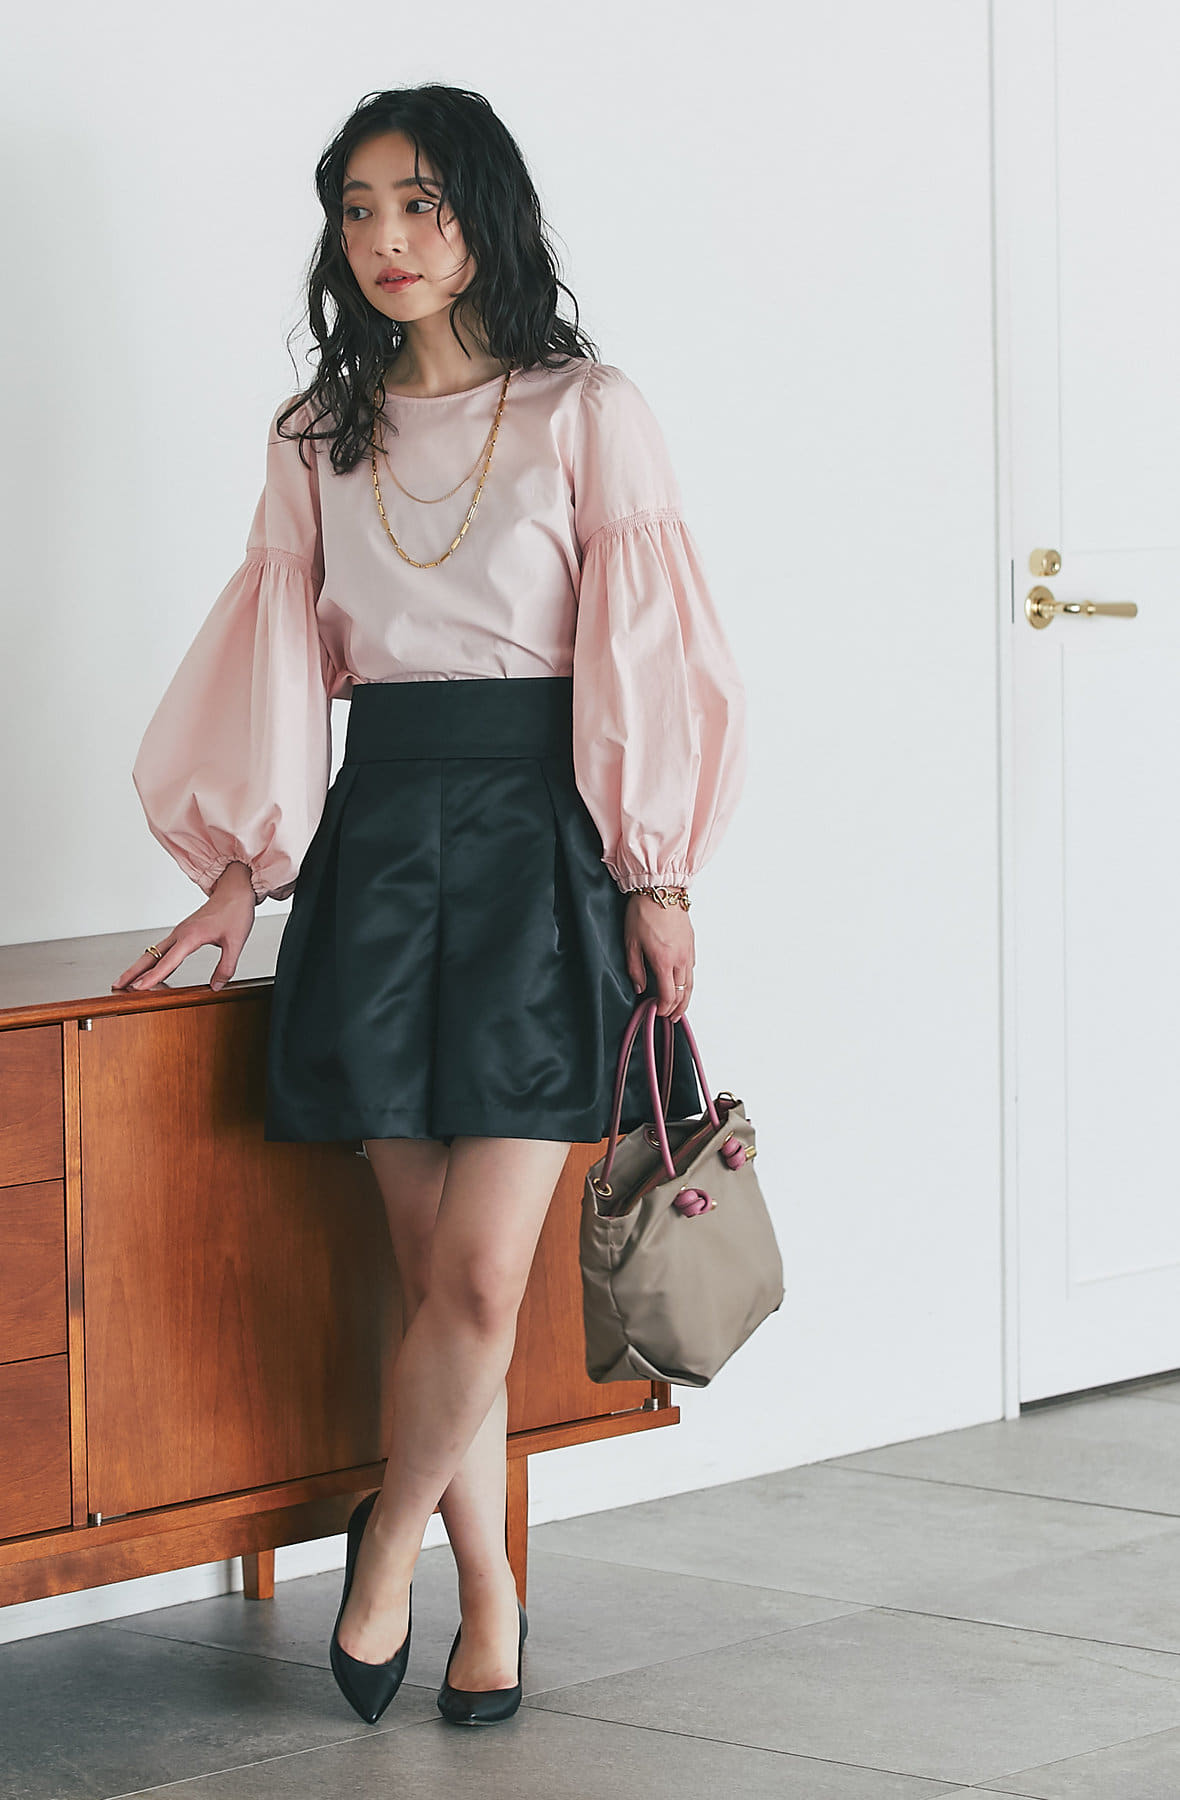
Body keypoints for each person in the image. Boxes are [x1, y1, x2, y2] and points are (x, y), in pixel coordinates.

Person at [115, 82, 746, 1728]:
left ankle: (384, 1549)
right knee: (423, 1272)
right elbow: (279, 658)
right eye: (359, 210)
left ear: (484, 215)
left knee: (477, 1279)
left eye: (421, 204)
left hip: (545, 850)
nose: (387, 240)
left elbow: (645, 656)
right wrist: (240, 873)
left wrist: (658, 873)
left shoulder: (587, 409)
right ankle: (494, 1595)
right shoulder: (316, 436)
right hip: (382, 847)